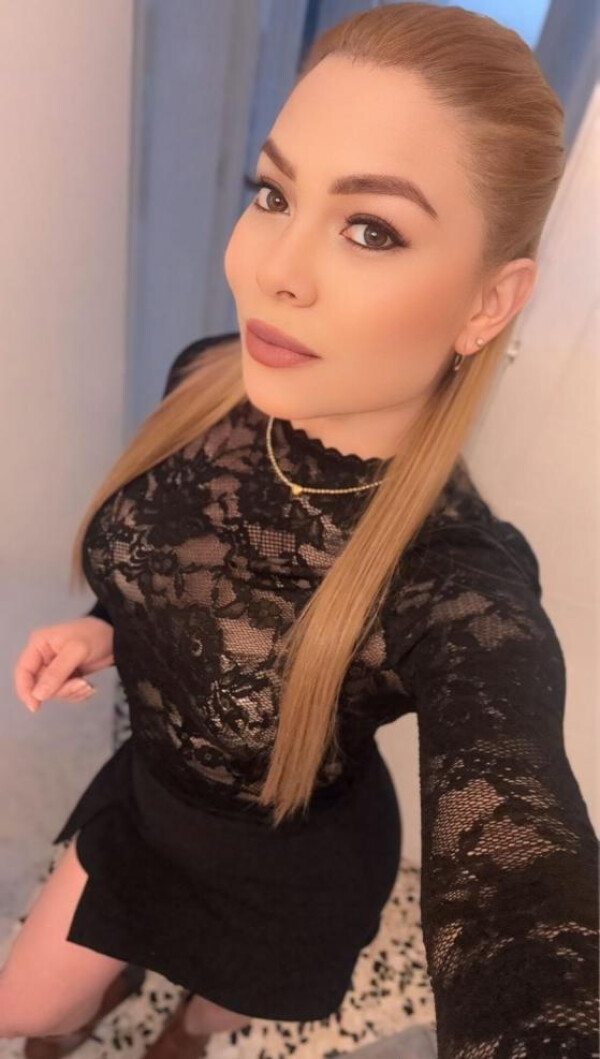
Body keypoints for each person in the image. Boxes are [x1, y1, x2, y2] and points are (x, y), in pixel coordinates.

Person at [4, 4, 598, 1058]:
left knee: (202, 1023)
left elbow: (525, 885)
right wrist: (108, 626)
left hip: (288, 884)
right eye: (275, 194)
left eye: (371, 229)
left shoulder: (456, 581)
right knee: (24, 1011)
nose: (273, 267)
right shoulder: (208, 377)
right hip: (148, 804)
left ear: (487, 302)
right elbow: (178, 559)